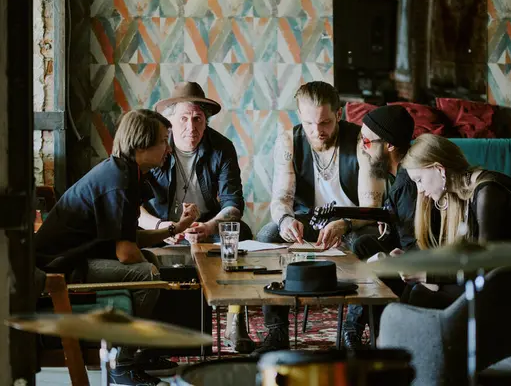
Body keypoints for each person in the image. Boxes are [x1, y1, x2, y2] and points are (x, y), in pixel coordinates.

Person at [35, 109, 199, 385]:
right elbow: (126, 253)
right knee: (148, 273)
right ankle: (121, 365)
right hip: (60, 268)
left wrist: (177, 227)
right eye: (162, 141)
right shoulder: (119, 181)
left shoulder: (126, 171)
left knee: (148, 261)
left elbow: (128, 240)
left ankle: (142, 352)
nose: (167, 148)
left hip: (80, 258)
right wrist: (149, 261)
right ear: (140, 144)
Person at [254, 81, 384, 355]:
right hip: (310, 223)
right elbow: (280, 199)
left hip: (353, 223)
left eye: (324, 122)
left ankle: (352, 328)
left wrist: (344, 223)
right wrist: (286, 220)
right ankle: (277, 331)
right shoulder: (289, 141)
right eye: (309, 123)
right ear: (300, 116)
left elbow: (372, 205)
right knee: (267, 235)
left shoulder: (362, 141)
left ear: (339, 114)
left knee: (367, 245)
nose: (317, 131)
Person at [139, 82, 255, 353]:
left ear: (206, 121)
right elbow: (134, 207)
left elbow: (233, 204)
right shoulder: (154, 147)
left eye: (197, 119)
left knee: (241, 234)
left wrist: (209, 226)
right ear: (169, 121)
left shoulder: (221, 147)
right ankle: (151, 331)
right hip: (160, 227)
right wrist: (163, 227)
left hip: (207, 226)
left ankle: (235, 321)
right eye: (183, 118)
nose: (191, 127)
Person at [398, 133, 511, 308]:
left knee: (421, 293)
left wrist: (427, 274)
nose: (420, 190)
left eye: (419, 180)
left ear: (439, 170)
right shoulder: (462, 190)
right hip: (504, 275)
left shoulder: (488, 193)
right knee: (417, 289)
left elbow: (484, 265)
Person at [342, 104, 420, 350]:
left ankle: (371, 331)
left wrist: (392, 251)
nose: (363, 150)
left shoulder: (407, 184)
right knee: (364, 243)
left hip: (416, 274)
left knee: (370, 255)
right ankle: (360, 328)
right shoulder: (398, 177)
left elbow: (414, 246)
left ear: (389, 145)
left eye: (367, 142)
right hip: (406, 260)